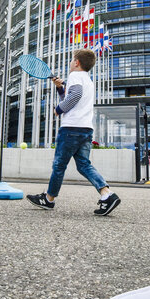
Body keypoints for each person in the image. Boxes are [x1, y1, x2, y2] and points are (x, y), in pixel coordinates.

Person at [26, 50, 121, 216]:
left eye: (71, 60)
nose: (70, 63)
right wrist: (60, 87)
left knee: (59, 165)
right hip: (85, 129)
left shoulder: (75, 76)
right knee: (84, 164)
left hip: (71, 128)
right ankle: (107, 194)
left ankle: (48, 199)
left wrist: (59, 109)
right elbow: (71, 96)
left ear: (76, 62)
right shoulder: (88, 80)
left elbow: (75, 95)